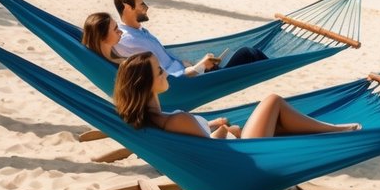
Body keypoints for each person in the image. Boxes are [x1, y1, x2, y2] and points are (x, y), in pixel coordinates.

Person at [114, 52, 360, 138]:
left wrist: (213, 124)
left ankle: (325, 131)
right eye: (159, 71)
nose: (166, 73)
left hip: (235, 146)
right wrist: (223, 131)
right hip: (239, 157)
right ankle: (335, 130)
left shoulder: (155, 117)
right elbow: (209, 148)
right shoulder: (174, 120)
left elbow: (194, 138)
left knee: (278, 123)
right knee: (272, 100)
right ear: (146, 85)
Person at [111, 0, 267, 77]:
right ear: (127, 7)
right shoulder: (130, 40)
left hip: (191, 71)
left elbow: (168, 62)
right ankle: (276, 68)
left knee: (250, 54)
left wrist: (197, 63)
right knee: (249, 53)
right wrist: (199, 67)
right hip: (190, 81)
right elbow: (165, 77)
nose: (146, 7)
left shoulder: (138, 32)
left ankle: (274, 66)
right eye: (142, 4)